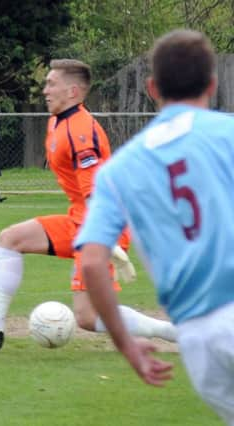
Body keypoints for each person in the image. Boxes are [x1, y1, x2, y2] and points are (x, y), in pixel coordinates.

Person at [0, 59, 177, 352]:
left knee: (87, 316)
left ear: (73, 91)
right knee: (10, 239)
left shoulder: (81, 132)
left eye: (51, 84)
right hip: (80, 220)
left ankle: (177, 333)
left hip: (100, 225)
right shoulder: (57, 120)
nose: (45, 90)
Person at [76, 30, 234, 423]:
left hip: (198, 337)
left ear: (151, 88)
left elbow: (93, 262)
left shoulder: (118, 170)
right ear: (212, 85)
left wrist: (126, 343)